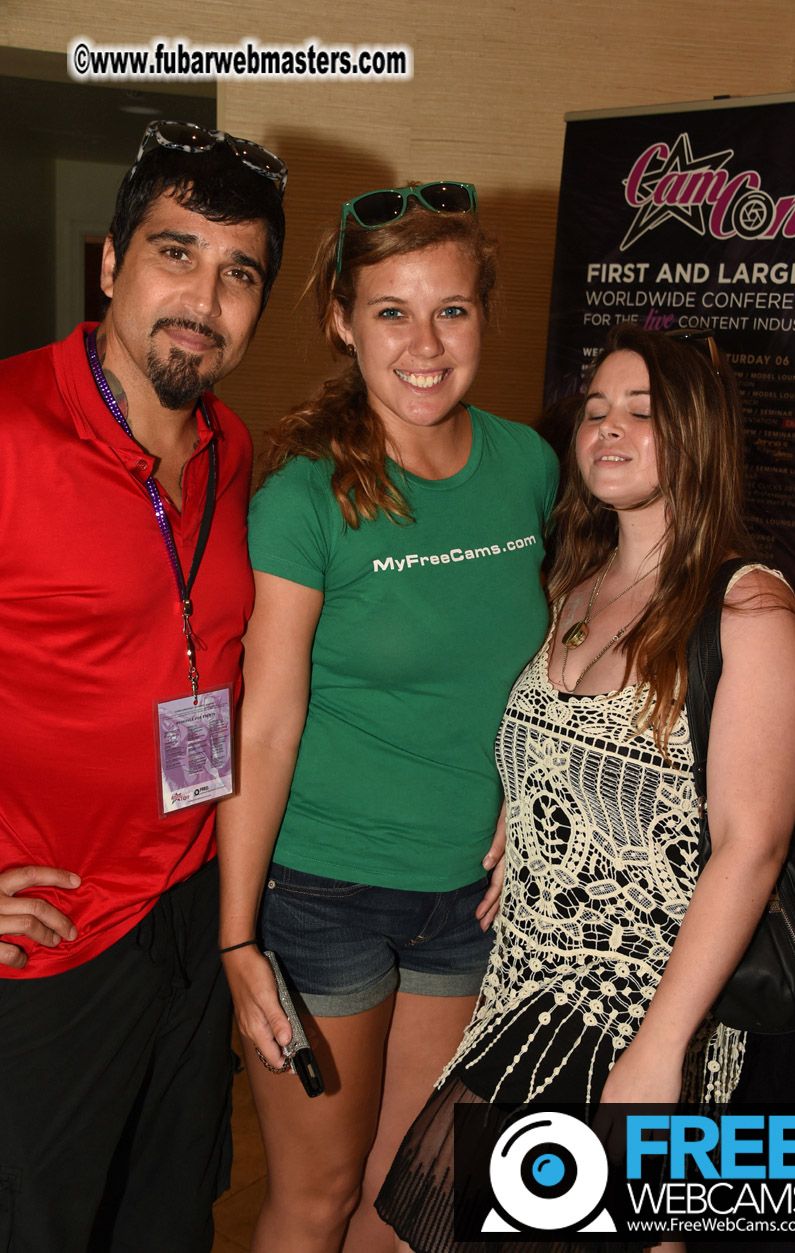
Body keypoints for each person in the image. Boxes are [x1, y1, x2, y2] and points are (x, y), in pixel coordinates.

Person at [375, 322, 795, 1253]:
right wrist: (520, 804)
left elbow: (752, 845)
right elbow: (552, 743)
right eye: (595, 409)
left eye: (643, 412)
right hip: (522, 981)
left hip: (642, 1004)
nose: (608, 429)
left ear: (697, 433)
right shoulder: (572, 583)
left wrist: (659, 1051)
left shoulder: (748, 609)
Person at [216, 181, 560, 1253]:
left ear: (483, 317)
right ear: (341, 319)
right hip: (325, 892)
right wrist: (236, 934)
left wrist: (530, 784)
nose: (424, 343)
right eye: (391, 311)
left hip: (468, 898)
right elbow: (264, 726)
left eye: (450, 309)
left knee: (407, 1199)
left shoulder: (531, 468)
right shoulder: (304, 501)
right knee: (316, 1196)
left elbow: (553, 656)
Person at [0, 120, 287, 1253]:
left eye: (238, 271)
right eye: (176, 253)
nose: (204, 298)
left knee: (168, 1216)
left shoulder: (231, 447)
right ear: (111, 263)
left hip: (194, 909)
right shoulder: (11, 429)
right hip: (55, 935)